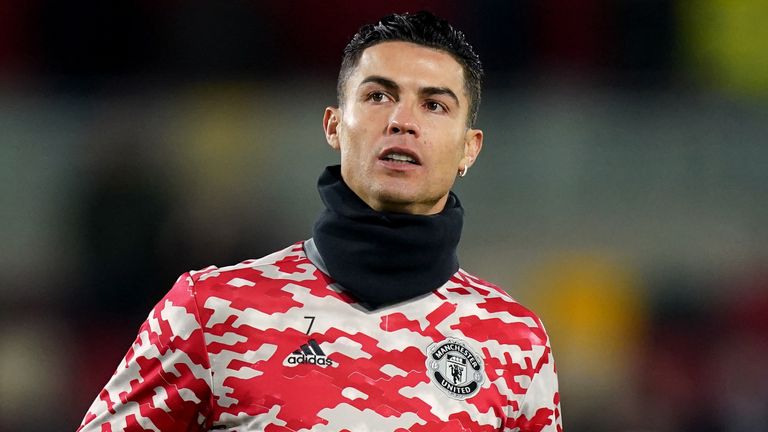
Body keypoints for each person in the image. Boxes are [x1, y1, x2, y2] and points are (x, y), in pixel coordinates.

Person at [78, 11, 562, 432]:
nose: (402, 121)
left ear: (469, 148)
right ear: (333, 124)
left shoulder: (514, 342)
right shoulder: (210, 311)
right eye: (378, 96)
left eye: (434, 105)